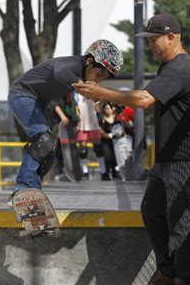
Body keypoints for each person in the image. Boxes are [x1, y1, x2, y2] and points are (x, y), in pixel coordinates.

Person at [73, 13, 190, 285]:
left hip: (186, 155)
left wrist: (102, 91)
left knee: (179, 215)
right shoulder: (170, 67)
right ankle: (167, 271)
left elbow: (143, 100)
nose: (150, 46)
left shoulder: (180, 67)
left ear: (171, 38)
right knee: (152, 210)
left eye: (154, 40)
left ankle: (186, 281)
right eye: (148, 41)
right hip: (169, 155)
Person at [7, 39, 123, 203]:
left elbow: (92, 95)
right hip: (22, 94)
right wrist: (88, 89)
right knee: (43, 141)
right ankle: (21, 191)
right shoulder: (72, 65)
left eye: (103, 79)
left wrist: (110, 98)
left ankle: (33, 195)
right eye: (98, 74)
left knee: (48, 150)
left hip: (37, 103)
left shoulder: (81, 76)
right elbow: (60, 73)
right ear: (89, 61)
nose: (98, 81)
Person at [75, 93, 106, 180]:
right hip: (81, 124)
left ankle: (103, 172)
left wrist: (100, 121)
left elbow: (97, 109)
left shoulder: (93, 94)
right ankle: (85, 172)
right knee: (83, 151)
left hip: (93, 124)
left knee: (98, 149)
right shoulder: (76, 95)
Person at [98, 102, 119, 180]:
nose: (108, 110)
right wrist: (108, 136)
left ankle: (116, 174)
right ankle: (105, 174)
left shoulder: (116, 117)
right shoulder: (101, 118)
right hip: (105, 141)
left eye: (109, 108)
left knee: (115, 157)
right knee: (107, 157)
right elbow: (100, 130)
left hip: (116, 141)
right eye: (106, 108)